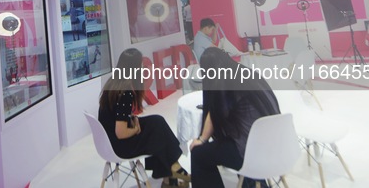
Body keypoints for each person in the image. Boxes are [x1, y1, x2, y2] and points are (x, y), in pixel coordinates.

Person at [190, 47, 280, 188]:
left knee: (198, 154)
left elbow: (215, 115)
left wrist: (201, 140)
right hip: (276, 146)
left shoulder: (224, 83)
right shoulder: (247, 73)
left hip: (250, 152)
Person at [99, 48, 190, 187]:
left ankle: (170, 174)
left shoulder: (114, 83)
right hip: (119, 146)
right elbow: (121, 133)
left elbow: (116, 117)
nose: (143, 67)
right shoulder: (125, 92)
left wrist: (132, 119)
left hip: (108, 140)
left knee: (157, 121)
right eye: (141, 65)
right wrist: (135, 130)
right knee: (156, 134)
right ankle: (173, 169)